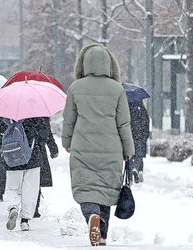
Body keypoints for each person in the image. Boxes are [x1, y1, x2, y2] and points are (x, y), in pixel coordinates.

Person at [62, 43, 135, 247]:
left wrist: (67, 142)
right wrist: (128, 150)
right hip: (111, 149)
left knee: (86, 188)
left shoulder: (76, 87)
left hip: (83, 146)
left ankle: (91, 216)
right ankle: (102, 235)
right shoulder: (117, 89)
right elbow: (123, 123)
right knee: (106, 190)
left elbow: (69, 119)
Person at [4, 117, 50, 232]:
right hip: (32, 159)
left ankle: (13, 207)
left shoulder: (7, 118)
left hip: (13, 158)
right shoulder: (36, 118)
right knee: (30, 190)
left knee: (12, 187)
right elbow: (43, 137)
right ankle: (25, 220)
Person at [34, 117, 59, 218]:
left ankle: (28, 206)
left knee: (26, 180)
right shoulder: (41, 114)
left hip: (23, 149)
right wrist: (53, 149)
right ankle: (34, 207)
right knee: (37, 180)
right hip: (38, 150)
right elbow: (47, 133)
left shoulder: (19, 113)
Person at [129, 100, 150, 183]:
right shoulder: (142, 109)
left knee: (130, 155)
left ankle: (131, 171)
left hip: (131, 136)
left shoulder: (128, 109)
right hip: (140, 137)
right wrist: (145, 135)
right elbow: (146, 122)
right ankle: (139, 169)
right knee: (139, 155)